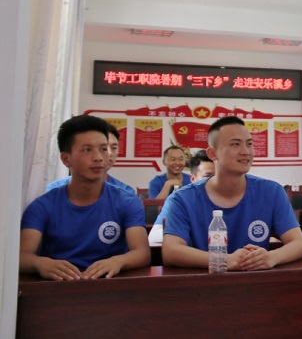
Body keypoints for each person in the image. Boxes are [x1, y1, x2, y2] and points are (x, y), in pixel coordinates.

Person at [161, 116, 302, 270]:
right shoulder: (182, 199)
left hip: (255, 280)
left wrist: (272, 257)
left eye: (249, 144)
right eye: (235, 144)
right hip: (204, 281)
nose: (246, 152)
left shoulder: (272, 192)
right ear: (212, 153)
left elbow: (299, 244)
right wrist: (224, 260)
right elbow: (170, 252)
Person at [20, 115, 150, 280]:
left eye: (103, 149)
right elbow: (22, 256)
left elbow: (142, 252)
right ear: (66, 159)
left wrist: (119, 261)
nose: (99, 157)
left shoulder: (127, 201)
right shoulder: (43, 206)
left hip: (110, 284)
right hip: (60, 285)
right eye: (87, 150)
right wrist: (40, 263)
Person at [148, 149, 217, 246]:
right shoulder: (177, 200)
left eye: (218, 176)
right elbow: (154, 237)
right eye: (207, 176)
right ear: (193, 179)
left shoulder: (232, 199)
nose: (215, 181)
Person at [46, 123, 136, 196]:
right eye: (103, 148)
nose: (109, 153)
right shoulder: (53, 190)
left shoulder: (126, 193)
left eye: (114, 148)